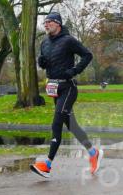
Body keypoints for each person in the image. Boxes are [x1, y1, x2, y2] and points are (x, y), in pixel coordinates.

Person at [31, 11, 103, 179]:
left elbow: (87, 55)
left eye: (49, 22)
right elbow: (48, 62)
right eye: (45, 22)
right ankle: (93, 153)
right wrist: (42, 63)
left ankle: (47, 165)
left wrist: (75, 70)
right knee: (72, 125)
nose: (46, 24)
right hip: (54, 88)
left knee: (57, 123)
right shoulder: (44, 43)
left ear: (58, 24)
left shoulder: (68, 40)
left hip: (68, 88)